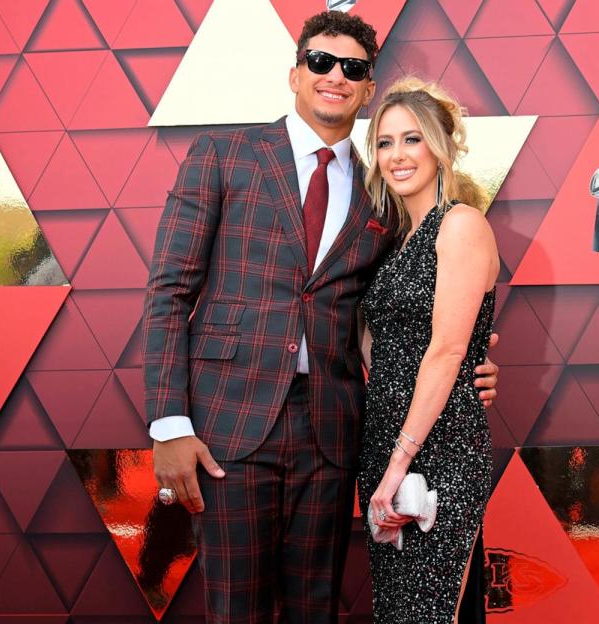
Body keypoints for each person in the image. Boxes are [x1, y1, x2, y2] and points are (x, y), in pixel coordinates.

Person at [141, 12, 498, 623]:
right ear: (295, 73)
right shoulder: (224, 156)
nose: (335, 75)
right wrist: (168, 423)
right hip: (231, 426)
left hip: (333, 434)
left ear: (366, 88)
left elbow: (419, 304)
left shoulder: (378, 190)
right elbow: (170, 291)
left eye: (353, 69)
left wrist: (474, 365)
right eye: (321, 61)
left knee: (316, 610)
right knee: (234, 611)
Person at [356, 77, 499, 623]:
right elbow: (384, 347)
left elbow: (444, 352)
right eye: (385, 143)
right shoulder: (397, 242)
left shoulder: (460, 225)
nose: (397, 155)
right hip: (388, 447)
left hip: (436, 451)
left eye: (411, 139)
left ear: (439, 147)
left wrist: (398, 464)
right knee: (399, 610)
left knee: (434, 610)